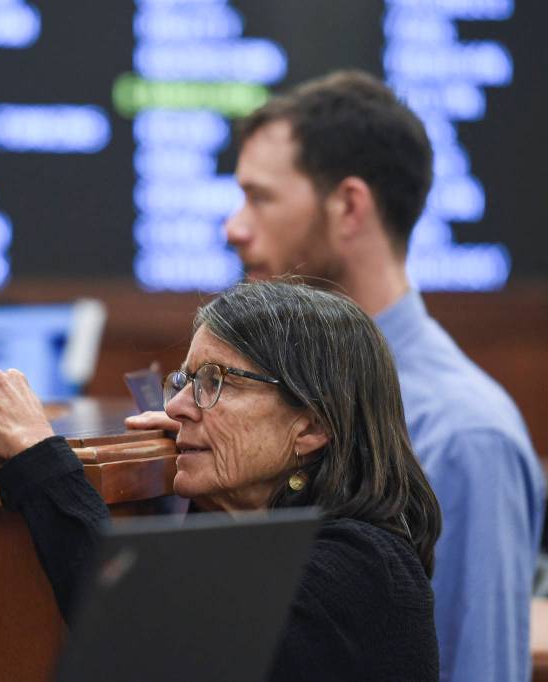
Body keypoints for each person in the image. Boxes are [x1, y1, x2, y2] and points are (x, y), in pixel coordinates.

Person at [131, 70, 544, 680]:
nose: (233, 227)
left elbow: (476, 666)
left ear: (349, 205)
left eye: (261, 197)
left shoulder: (461, 432)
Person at [0, 281, 442, 680]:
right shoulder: (274, 532)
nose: (176, 406)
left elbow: (150, 639)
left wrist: (37, 454)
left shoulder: (365, 566)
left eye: (215, 383)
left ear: (311, 425)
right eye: (186, 380)